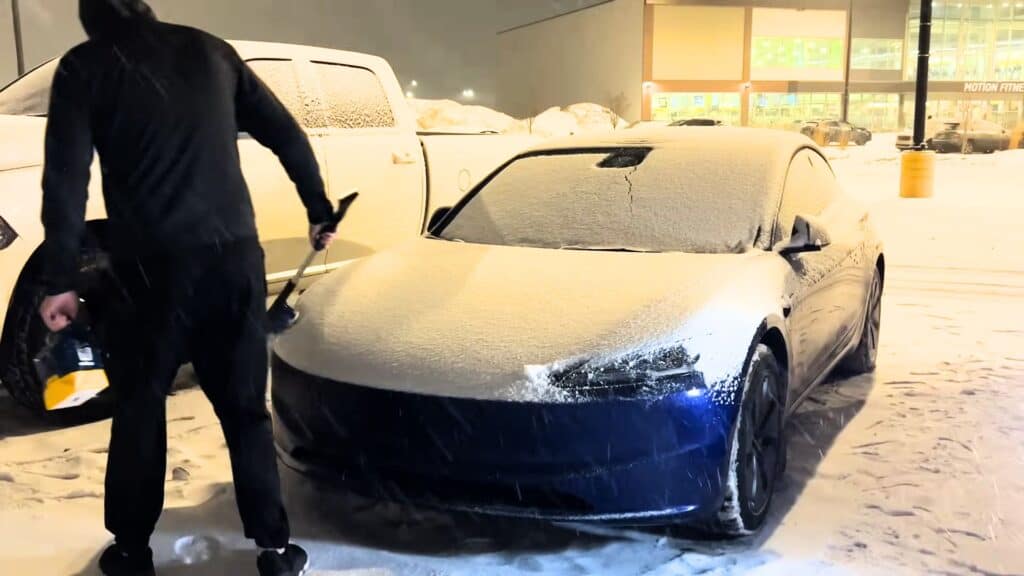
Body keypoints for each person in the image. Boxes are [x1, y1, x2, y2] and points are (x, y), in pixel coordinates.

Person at [38, 1, 335, 574]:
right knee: (245, 408)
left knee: (140, 406)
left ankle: (131, 550)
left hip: (147, 271)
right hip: (231, 260)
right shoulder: (209, 50)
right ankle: (273, 548)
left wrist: (59, 280)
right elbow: (284, 133)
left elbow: (66, 177)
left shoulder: (84, 66)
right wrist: (318, 207)